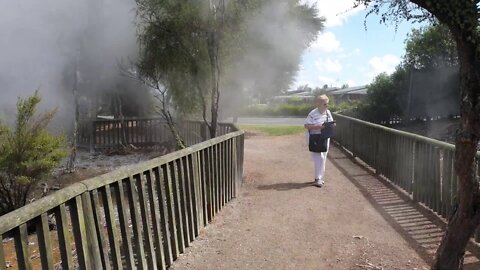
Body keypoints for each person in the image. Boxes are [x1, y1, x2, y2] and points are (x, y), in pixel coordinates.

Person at [304, 94, 334, 187]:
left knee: (323, 157)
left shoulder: (328, 112)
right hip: (314, 138)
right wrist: (319, 127)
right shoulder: (312, 113)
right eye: (325, 104)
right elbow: (306, 126)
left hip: (324, 137)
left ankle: (320, 178)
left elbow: (331, 121)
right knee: (319, 157)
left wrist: (332, 125)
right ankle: (317, 178)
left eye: (327, 104)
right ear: (319, 104)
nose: (327, 106)